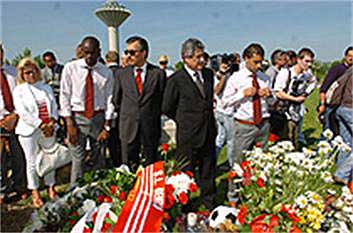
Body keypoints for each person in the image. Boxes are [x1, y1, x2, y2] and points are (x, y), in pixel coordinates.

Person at [162, 38, 217, 210]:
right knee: (185, 174)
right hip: (188, 135)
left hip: (208, 131)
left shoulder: (208, 75)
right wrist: (184, 120)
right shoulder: (176, 79)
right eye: (197, 57)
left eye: (203, 56)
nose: (201, 60)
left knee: (208, 170)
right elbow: (167, 106)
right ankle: (184, 208)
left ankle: (209, 203)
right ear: (185, 58)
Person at [60, 36, 114, 185]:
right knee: (78, 159)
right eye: (86, 52)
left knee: (99, 158)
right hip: (77, 118)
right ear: (82, 51)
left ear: (99, 52)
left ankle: (99, 193)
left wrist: (106, 127)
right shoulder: (70, 68)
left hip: (98, 118)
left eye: (93, 53)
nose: (89, 56)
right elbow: (64, 96)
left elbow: (110, 100)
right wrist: (69, 124)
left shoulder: (106, 72)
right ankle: (75, 195)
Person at [113, 36, 166, 170]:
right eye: (126, 52)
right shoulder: (121, 74)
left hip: (150, 126)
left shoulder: (158, 74)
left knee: (151, 163)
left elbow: (162, 99)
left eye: (132, 52)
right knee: (129, 163)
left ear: (144, 53)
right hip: (128, 125)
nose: (128, 56)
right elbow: (116, 100)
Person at [13, 57, 58, 208]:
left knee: (50, 159)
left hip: (49, 129)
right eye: (27, 73)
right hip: (29, 131)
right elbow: (23, 112)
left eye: (33, 71)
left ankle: (51, 188)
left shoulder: (46, 87)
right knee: (32, 162)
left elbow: (54, 106)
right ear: (22, 74)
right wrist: (41, 124)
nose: (31, 75)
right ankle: (35, 191)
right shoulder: (19, 90)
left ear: (38, 71)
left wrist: (52, 121)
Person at [223, 43, 273, 164]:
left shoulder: (264, 78)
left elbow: (273, 102)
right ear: (246, 58)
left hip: (263, 124)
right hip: (244, 125)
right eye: (255, 62)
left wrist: (269, 95)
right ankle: (237, 183)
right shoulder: (236, 78)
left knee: (262, 162)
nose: (259, 65)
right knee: (239, 163)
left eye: (260, 62)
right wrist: (242, 94)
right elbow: (225, 102)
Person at [274, 48, 317, 149]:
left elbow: (313, 82)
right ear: (298, 60)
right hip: (284, 112)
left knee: (295, 138)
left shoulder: (306, 74)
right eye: (306, 61)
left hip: (296, 111)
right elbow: (278, 92)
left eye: (311, 62)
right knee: (286, 140)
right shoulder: (286, 73)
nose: (309, 64)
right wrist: (294, 99)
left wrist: (306, 94)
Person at [0, 44, 27, 205]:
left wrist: (15, 115)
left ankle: (20, 187)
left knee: (19, 156)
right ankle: (2, 191)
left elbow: (23, 95)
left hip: (16, 119)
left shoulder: (13, 72)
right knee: (0, 159)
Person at [318, 46, 353, 137]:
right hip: (332, 104)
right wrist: (322, 104)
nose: (351, 58)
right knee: (328, 130)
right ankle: (323, 148)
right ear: (345, 56)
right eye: (349, 55)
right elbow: (324, 87)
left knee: (341, 131)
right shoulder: (337, 69)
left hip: (343, 105)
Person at [330, 67, 353, 192]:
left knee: (346, 143)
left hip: (342, 108)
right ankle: (342, 173)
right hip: (351, 110)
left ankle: (342, 177)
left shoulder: (350, 70)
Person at [105, 50, 122, 167]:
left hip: (108, 111)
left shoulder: (104, 72)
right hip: (122, 111)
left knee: (112, 140)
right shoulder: (124, 72)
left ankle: (115, 161)